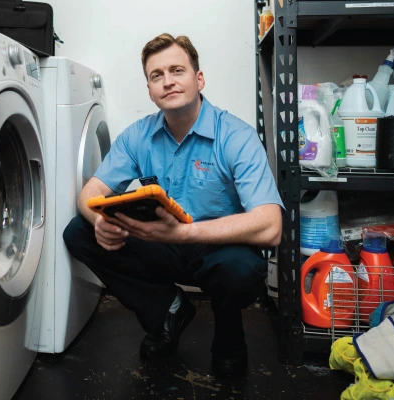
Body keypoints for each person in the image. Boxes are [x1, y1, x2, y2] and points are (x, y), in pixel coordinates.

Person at [63, 33, 284, 376]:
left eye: (177, 70)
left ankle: (229, 335)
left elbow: (271, 226)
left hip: (216, 249)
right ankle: (166, 309)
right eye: (156, 76)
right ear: (150, 91)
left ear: (198, 79)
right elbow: (88, 194)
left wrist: (184, 233)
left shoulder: (236, 136)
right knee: (78, 232)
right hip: (161, 245)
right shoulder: (137, 136)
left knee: (240, 269)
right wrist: (99, 221)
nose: (167, 82)